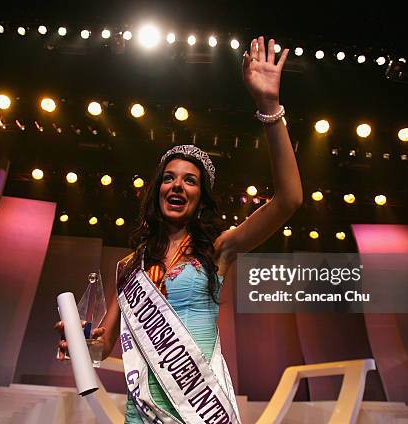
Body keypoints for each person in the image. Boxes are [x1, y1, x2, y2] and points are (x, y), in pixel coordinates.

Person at [56, 35, 302, 423]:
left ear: (201, 198)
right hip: (143, 413)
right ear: (157, 191)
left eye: (190, 180)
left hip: (202, 411)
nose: (177, 185)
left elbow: (289, 200)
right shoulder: (128, 268)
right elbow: (103, 348)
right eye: (168, 178)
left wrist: (269, 107)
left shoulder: (219, 250)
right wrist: (81, 340)